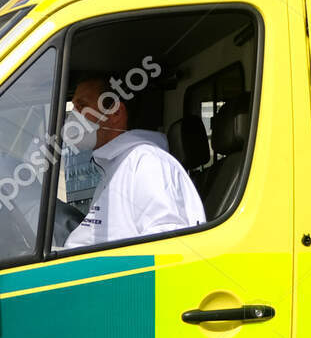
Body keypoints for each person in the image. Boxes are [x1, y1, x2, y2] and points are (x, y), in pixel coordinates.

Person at [62, 77, 205, 250]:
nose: (74, 116)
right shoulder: (116, 167)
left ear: (115, 113)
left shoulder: (146, 162)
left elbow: (166, 244)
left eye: (82, 106)